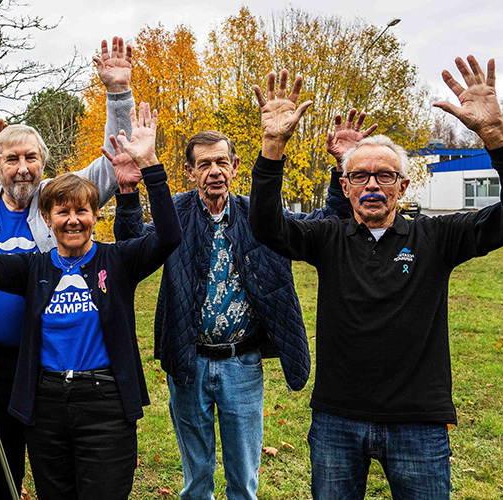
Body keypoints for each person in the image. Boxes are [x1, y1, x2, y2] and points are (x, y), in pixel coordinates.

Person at [248, 59, 503, 499]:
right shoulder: (326, 238)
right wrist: (273, 144)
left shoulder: (437, 238)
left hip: (418, 423)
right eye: (359, 176)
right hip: (337, 420)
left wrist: (495, 134)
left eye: (385, 175)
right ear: (345, 186)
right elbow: (265, 225)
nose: (372, 184)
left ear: (403, 186)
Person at [113, 110, 363, 497]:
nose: (214, 171)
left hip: (242, 364)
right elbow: (132, 247)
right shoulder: (175, 214)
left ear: (235, 166)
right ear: (190, 171)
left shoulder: (261, 216)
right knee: (197, 481)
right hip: (188, 361)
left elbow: (328, 220)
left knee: (243, 482)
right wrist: (128, 193)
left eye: (221, 162)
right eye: (204, 164)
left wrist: (343, 166)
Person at [0, 36, 134, 500]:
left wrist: (118, 94)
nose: (22, 168)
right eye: (12, 159)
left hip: (49, 364)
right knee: (0, 475)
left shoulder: (61, 199)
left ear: (44, 162)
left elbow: (114, 163)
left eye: (31, 158)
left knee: (53, 472)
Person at [0, 102, 180, 499]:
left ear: (95, 216)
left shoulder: (117, 261)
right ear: (47, 219)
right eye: (63, 212)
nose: (73, 220)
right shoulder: (34, 268)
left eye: (82, 211)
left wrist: (150, 167)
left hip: (105, 404)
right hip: (47, 405)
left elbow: (168, 238)